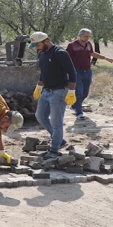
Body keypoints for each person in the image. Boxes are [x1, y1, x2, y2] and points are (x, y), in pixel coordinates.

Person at [29, 31, 77, 160]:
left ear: (45, 41)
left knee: (56, 122)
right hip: (47, 90)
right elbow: (44, 72)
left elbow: (72, 73)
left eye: (37, 45)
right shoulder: (42, 54)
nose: (37, 48)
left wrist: (71, 92)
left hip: (59, 91)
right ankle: (60, 140)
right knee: (40, 116)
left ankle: (54, 150)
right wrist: (39, 87)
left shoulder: (60, 53)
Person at [66, 28, 113, 120]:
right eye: (86, 36)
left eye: (89, 36)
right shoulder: (72, 45)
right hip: (76, 71)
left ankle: (75, 105)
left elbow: (92, 53)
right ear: (80, 35)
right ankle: (79, 112)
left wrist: (106, 58)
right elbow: (66, 57)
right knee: (79, 92)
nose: (88, 38)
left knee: (85, 92)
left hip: (87, 71)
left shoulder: (88, 44)